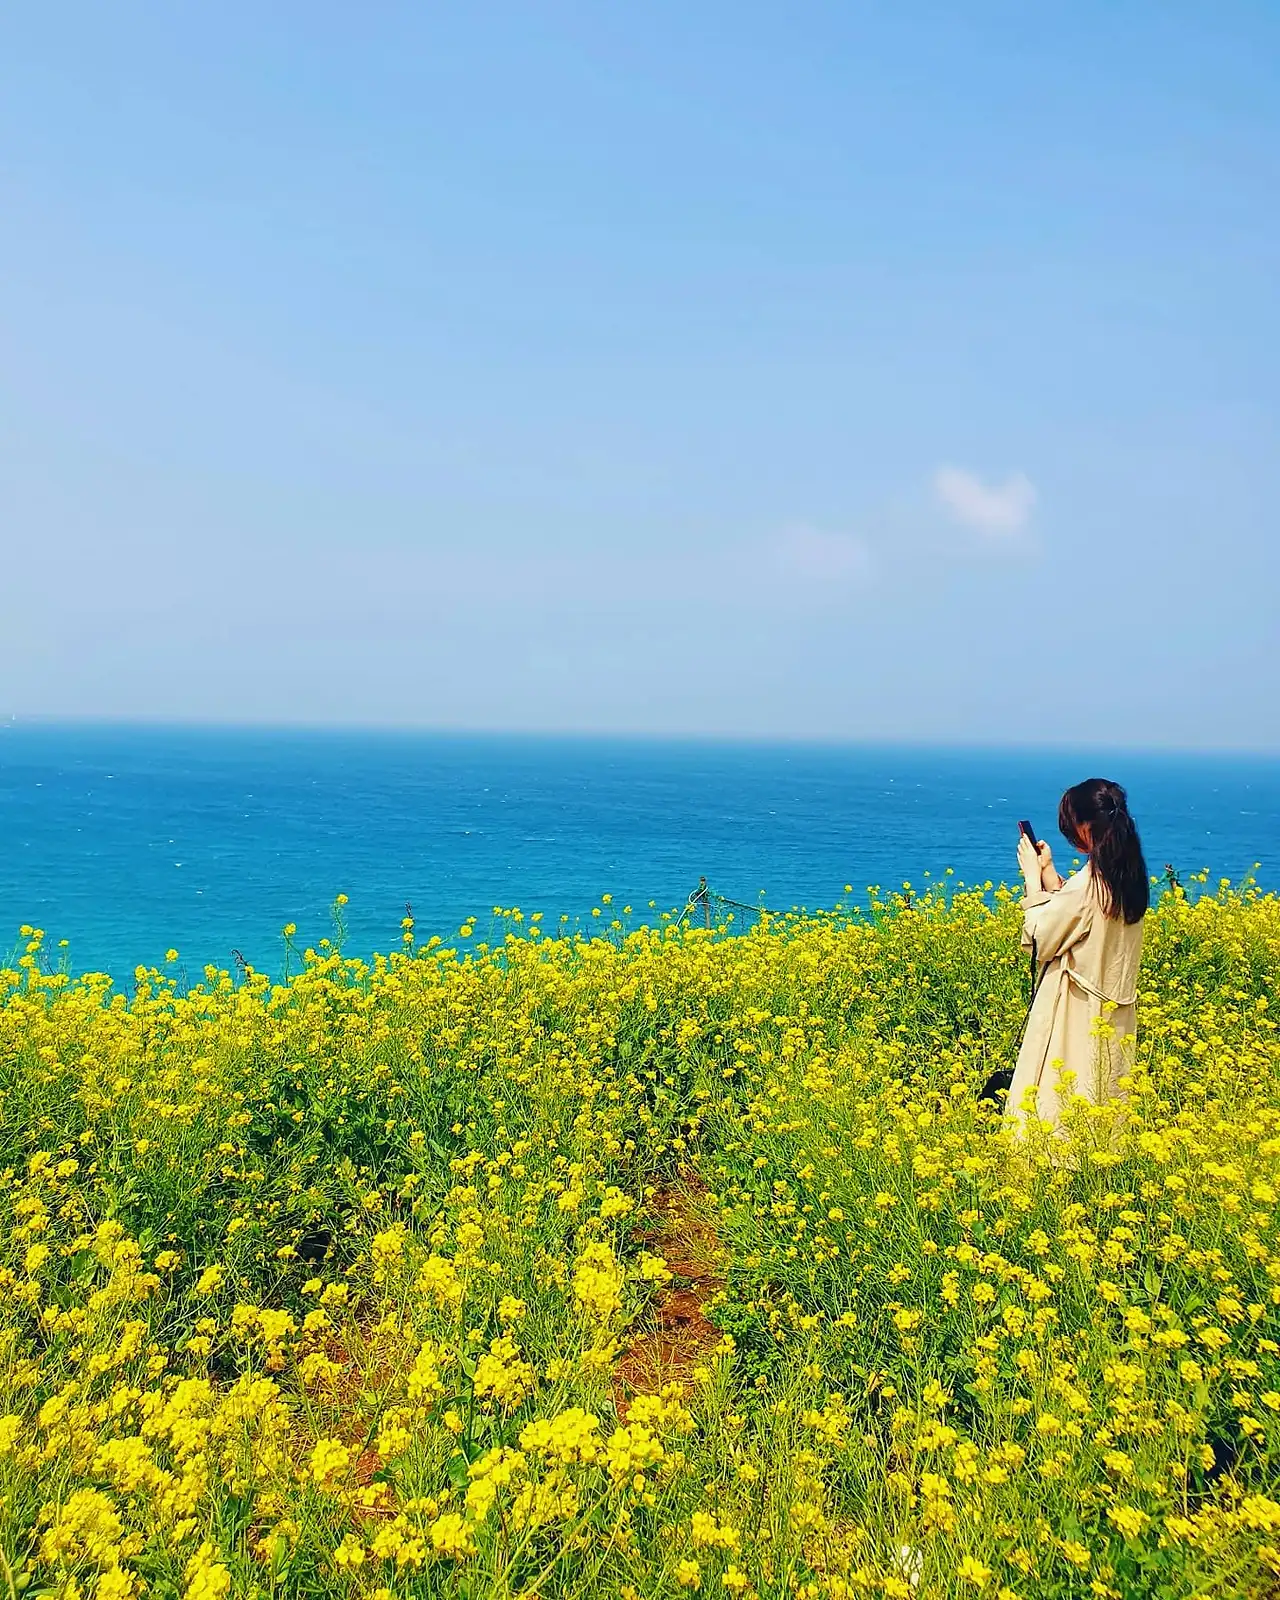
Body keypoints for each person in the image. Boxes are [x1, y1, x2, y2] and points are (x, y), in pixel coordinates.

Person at [1006, 778, 1149, 1136]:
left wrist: (1032, 881)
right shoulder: (1127, 876)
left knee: (1056, 1112)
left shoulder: (1089, 884)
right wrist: (1050, 873)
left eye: (1071, 827)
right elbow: (1080, 917)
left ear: (1086, 826)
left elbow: (1041, 939)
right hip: (1113, 1016)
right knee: (1101, 1105)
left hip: (1077, 1013)